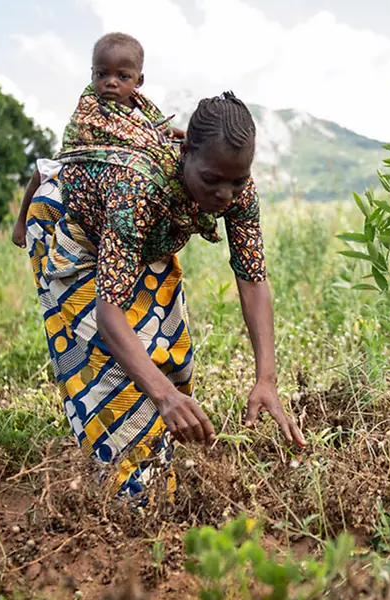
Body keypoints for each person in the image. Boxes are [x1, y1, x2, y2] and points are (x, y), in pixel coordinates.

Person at [25, 88, 305, 502]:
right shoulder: (136, 187)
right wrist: (162, 395)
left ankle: (157, 468)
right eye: (212, 180)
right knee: (114, 369)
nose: (225, 195)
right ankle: (128, 498)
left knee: (170, 357)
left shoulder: (235, 187)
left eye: (237, 181)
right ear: (186, 151)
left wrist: (266, 379)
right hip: (74, 232)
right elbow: (109, 317)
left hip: (146, 239)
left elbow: (252, 277)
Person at [12, 32, 184, 248]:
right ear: (92, 74)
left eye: (123, 77)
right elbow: (79, 136)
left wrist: (174, 134)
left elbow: (155, 132)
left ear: (139, 80)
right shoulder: (90, 107)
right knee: (41, 171)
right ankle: (20, 222)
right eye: (102, 74)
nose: (111, 83)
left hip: (126, 178)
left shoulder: (143, 112)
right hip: (84, 160)